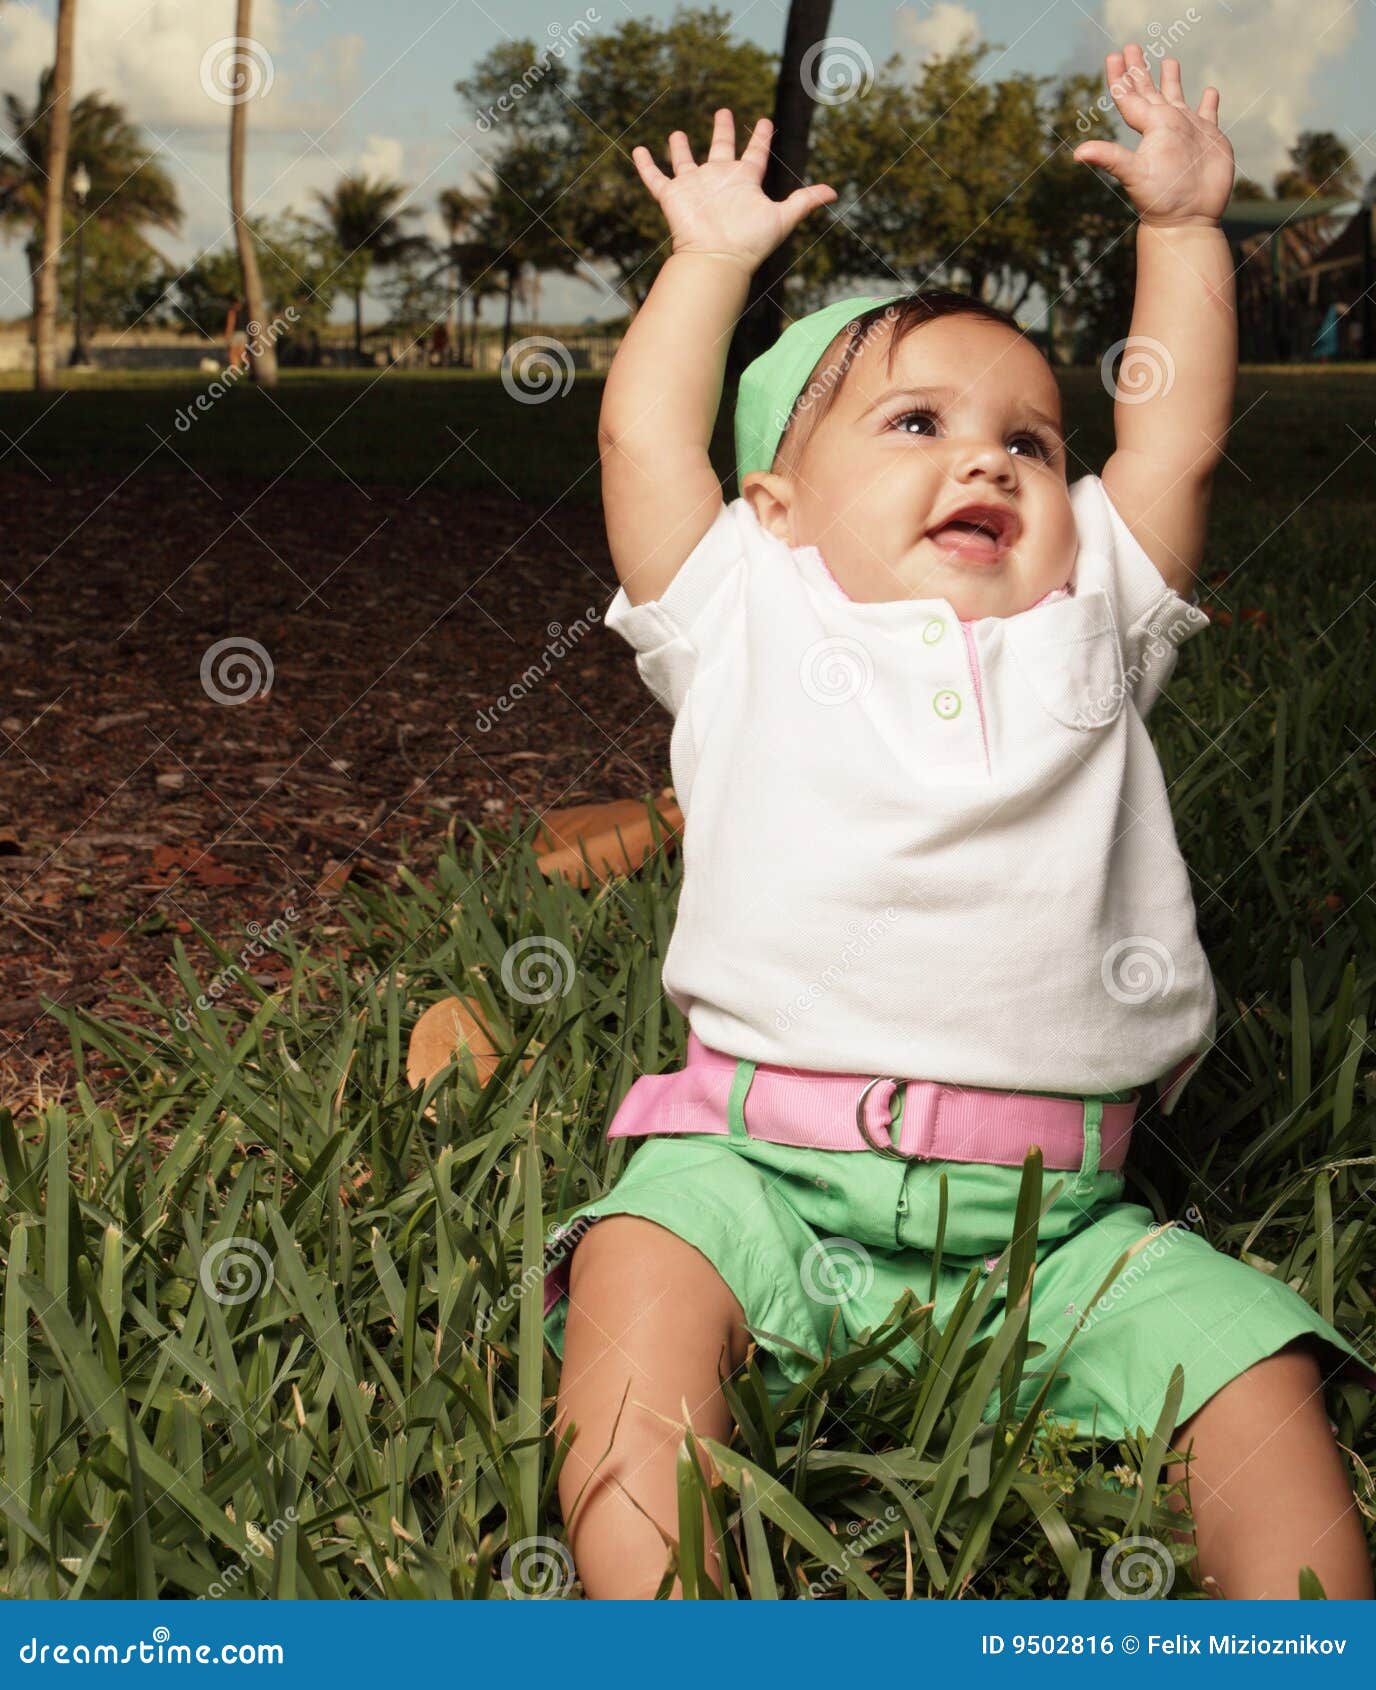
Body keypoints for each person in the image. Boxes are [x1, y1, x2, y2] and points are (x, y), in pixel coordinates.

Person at [541, 45, 1376, 1601]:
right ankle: (660, 1618)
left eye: (1031, 440)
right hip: (757, 1178)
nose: (988, 453)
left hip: (1063, 1226)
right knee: (636, 1268)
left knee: (1254, 1371)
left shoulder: (1092, 612)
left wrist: (1185, 231)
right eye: (913, 423)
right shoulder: (746, 612)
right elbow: (645, 448)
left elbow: (1175, 439)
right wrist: (709, 264)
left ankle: (1305, 1636)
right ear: (776, 505)